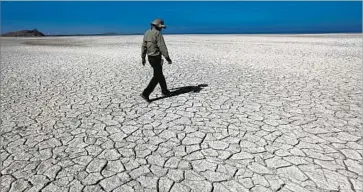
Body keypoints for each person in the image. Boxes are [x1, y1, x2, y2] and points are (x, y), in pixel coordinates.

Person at [140, 18, 173, 103]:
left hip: (150, 58)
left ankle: (165, 91)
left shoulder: (146, 33)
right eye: (161, 27)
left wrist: (143, 58)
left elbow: (143, 46)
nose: (162, 28)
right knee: (157, 76)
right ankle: (146, 93)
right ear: (158, 26)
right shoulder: (158, 34)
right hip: (156, 58)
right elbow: (163, 47)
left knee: (159, 74)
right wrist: (167, 58)